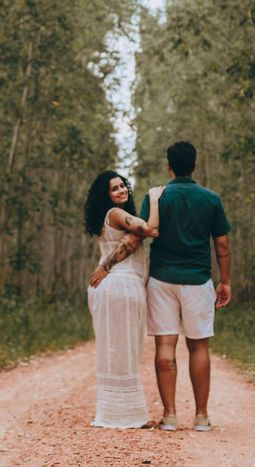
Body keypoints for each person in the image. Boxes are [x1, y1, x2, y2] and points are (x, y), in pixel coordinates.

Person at [92, 142, 232, 432]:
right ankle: (202, 416)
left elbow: (137, 238)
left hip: (161, 280)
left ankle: (169, 415)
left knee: (165, 344)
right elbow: (222, 244)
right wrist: (225, 280)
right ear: (195, 165)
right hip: (198, 280)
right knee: (199, 345)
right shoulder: (211, 199)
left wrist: (105, 266)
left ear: (169, 165)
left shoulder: (158, 197)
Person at [83, 170, 162, 428]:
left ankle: (116, 411)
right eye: (115, 188)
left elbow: (136, 235)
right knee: (123, 350)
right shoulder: (115, 214)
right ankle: (124, 414)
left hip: (112, 286)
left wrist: (105, 266)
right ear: (106, 196)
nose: (122, 190)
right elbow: (149, 229)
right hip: (120, 285)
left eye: (123, 185)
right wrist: (156, 200)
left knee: (117, 350)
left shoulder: (108, 219)